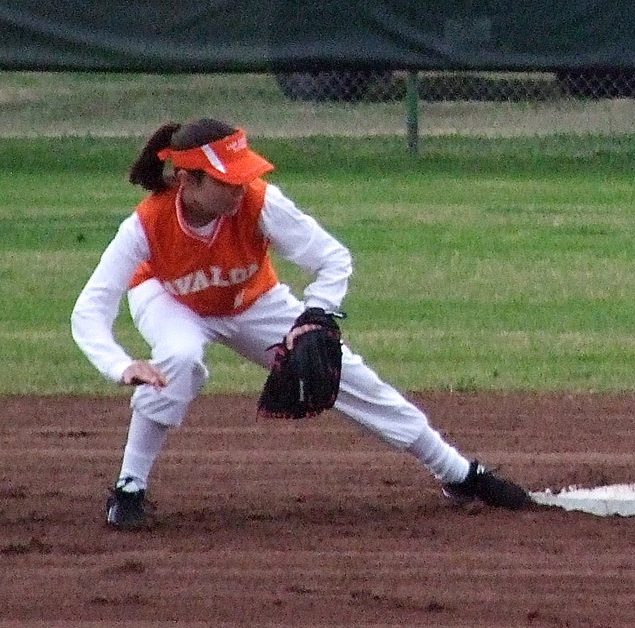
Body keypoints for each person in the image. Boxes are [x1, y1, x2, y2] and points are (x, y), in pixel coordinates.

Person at [72, 117, 531, 529]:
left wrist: (316, 313)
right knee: (180, 356)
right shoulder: (146, 224)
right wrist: (119, 364)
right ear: (186, 179)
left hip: (254, 301)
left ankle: (458, 474)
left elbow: (332, 259)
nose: (239, 189)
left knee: (349, 376)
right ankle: (129, 487)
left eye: (243, 178)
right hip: (170, 300)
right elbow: (90, 310)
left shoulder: (258, 203)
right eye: (226, 182)